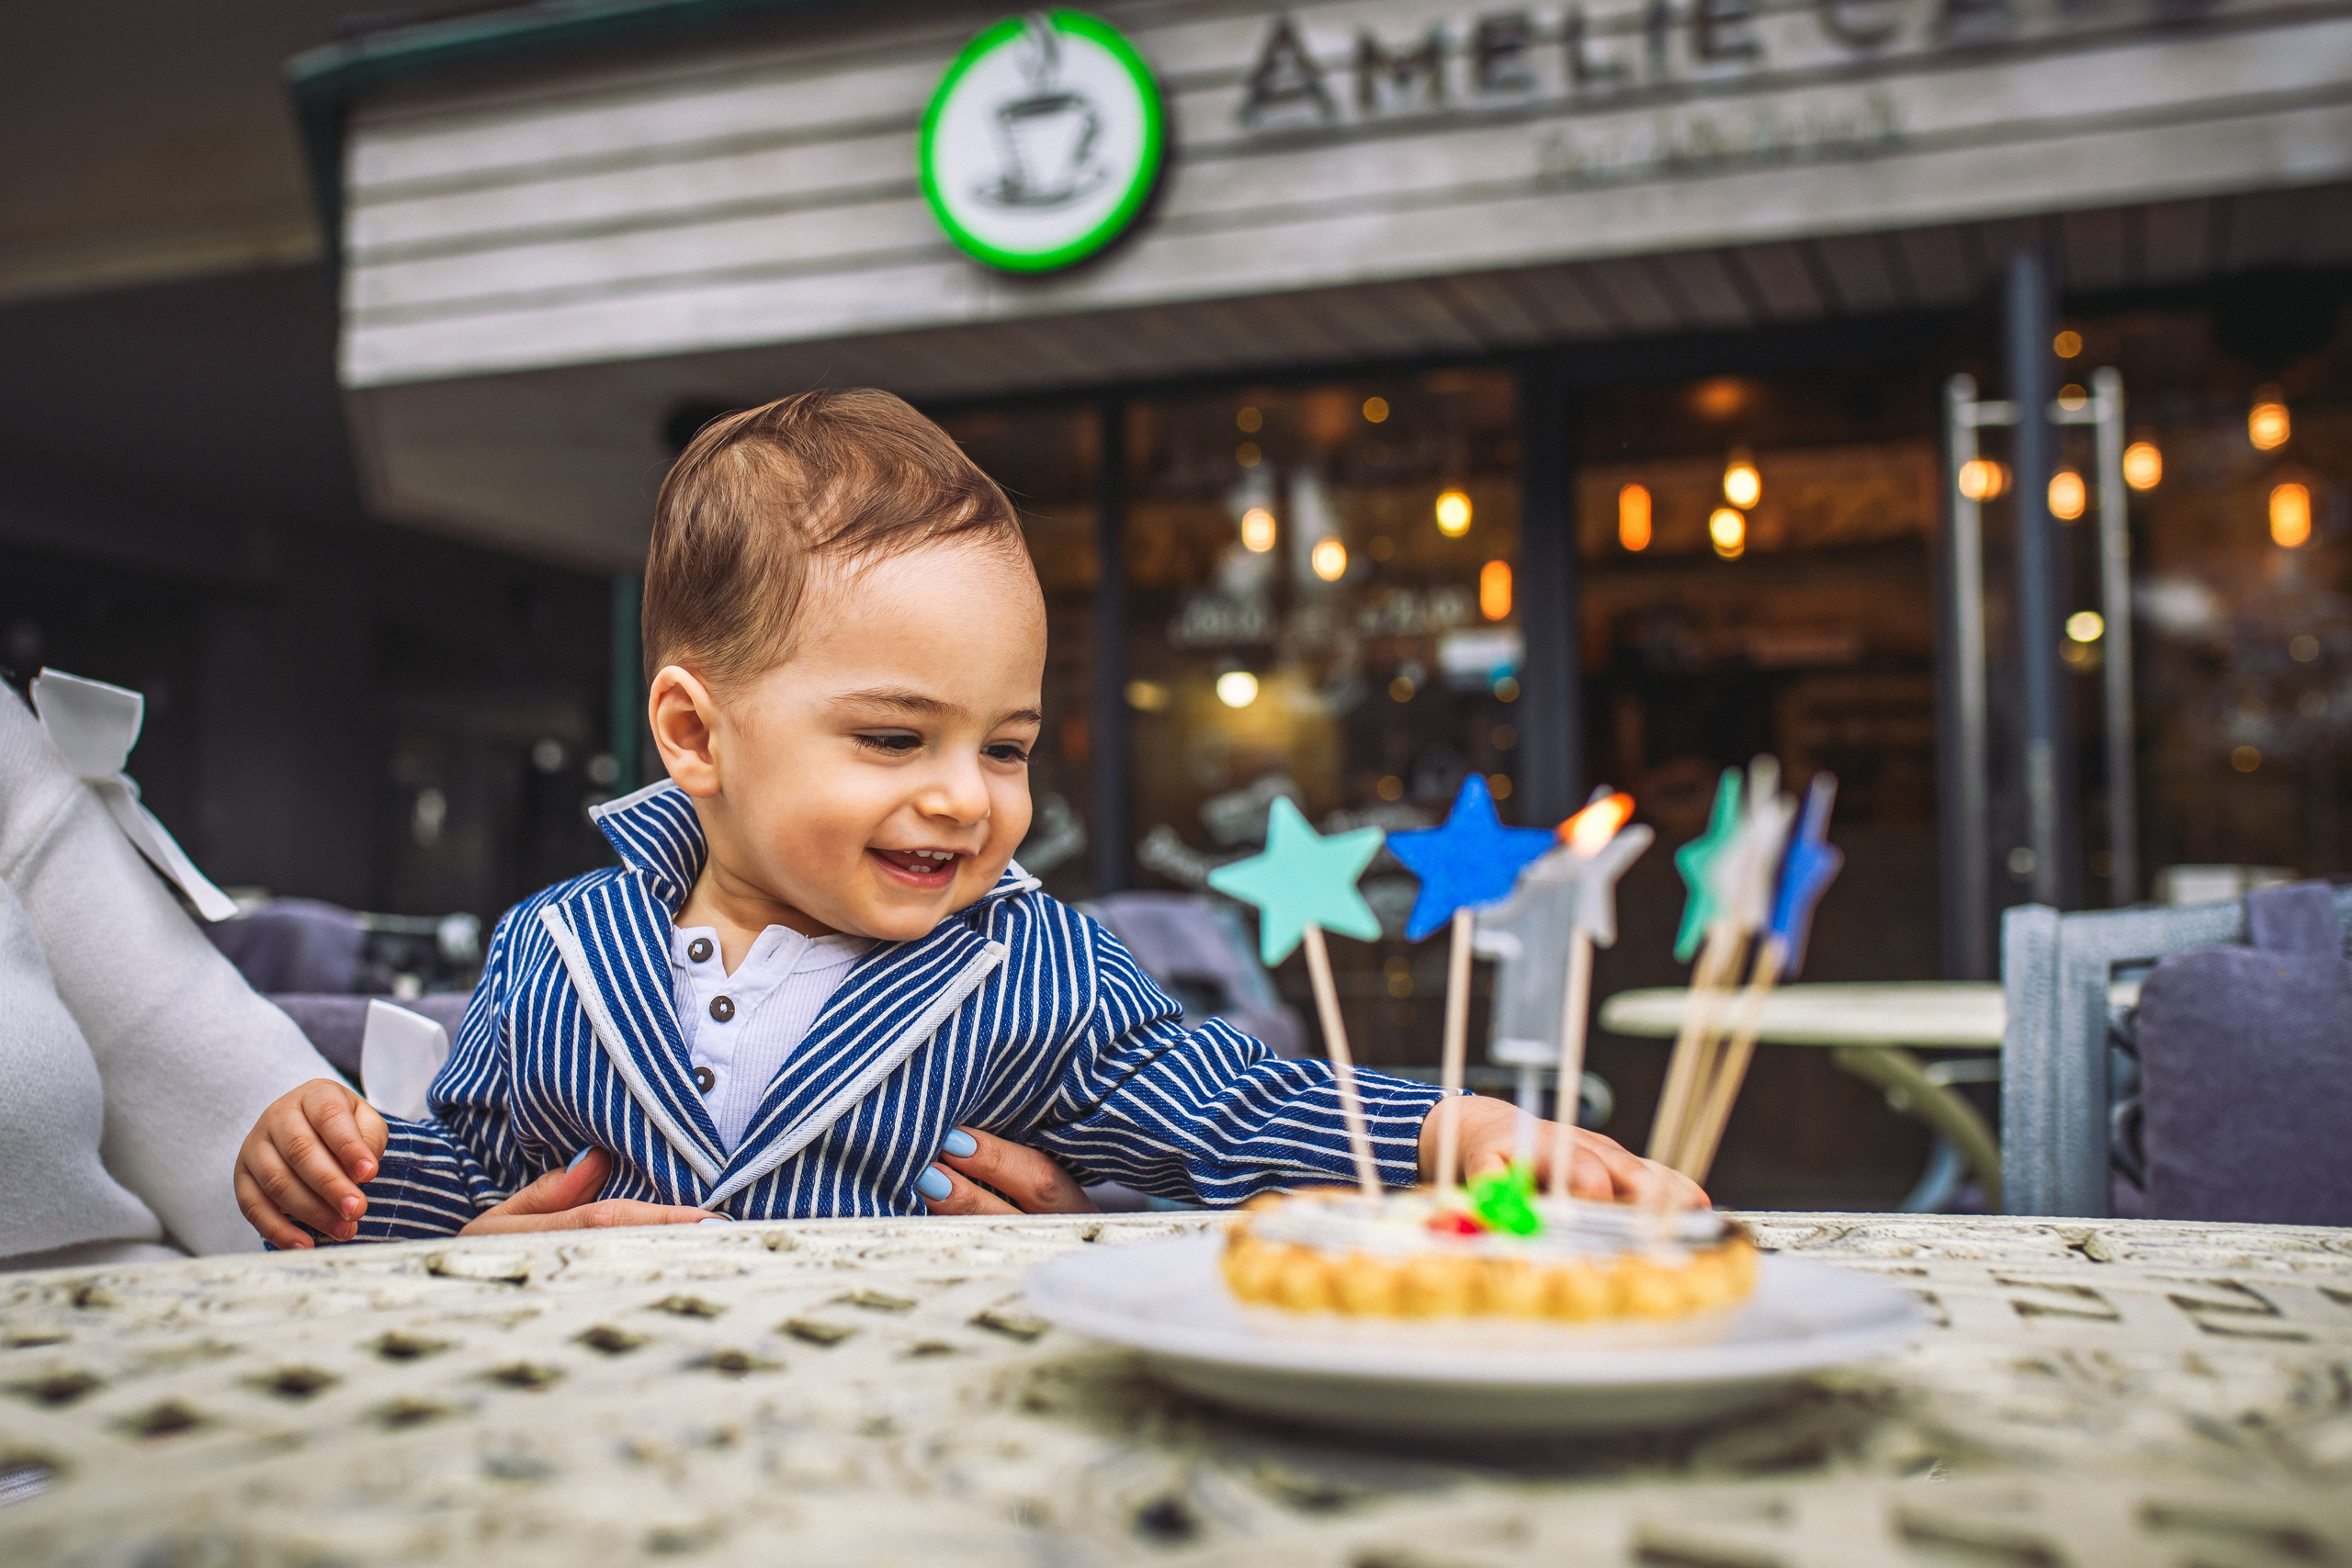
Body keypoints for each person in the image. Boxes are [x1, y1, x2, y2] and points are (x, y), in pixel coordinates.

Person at [234, 390, 1700, 1247]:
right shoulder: (553, 950)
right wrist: (344, 1171)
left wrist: (1454, 1128)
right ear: (694, 733)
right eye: (894, 737)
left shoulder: (1031, 965)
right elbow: (478, 1169)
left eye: (1007, 747)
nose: (966, 796)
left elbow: (1227, 1107)